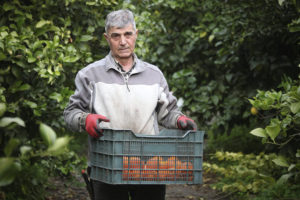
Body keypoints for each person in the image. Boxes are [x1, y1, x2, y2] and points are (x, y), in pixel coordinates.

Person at [64, 9, 197, 200]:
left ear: (136, 34)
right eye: (116, 36)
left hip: (149, 166)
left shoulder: (154, 75)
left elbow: (167, 113)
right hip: (106, 165)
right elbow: (70, 113)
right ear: (106, 38)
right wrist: (85, 119)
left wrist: (180, 120)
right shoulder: (90, 75)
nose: (123, 41)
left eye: (128, 34)